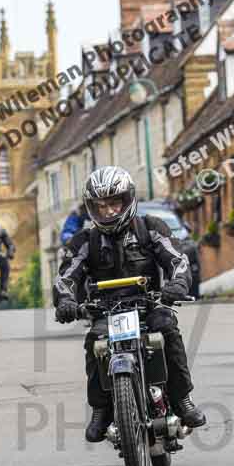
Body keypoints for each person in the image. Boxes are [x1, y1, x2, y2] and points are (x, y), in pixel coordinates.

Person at [53, 166, 206, 442]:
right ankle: (101, 409)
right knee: (95, 343)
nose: (109, 211)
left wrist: (177, 284)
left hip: (150, 305)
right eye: (101, 206)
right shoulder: (85, 241)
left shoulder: (150, 228)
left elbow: (177, 260)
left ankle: (182, 399)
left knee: (167, 330)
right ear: (91, 208)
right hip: (106, 310)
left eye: (115, 203)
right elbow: (66, 276)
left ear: (128, 200)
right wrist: (65, 300)